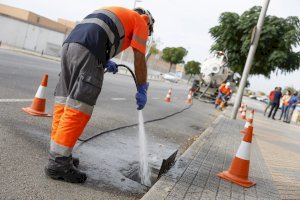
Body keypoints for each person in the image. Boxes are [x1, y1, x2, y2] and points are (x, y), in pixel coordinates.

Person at [45, 6, 155, 183]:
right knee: (79, 107)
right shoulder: (141, 21)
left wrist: (104, 59)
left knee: (64, 102)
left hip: (70, 45)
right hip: (89, 50)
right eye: (148, 33)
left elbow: (96, 32)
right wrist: (142, 87)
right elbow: (139, 57)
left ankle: (59, 154)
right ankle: (58, 163)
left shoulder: (119, 13)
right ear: (147, 21)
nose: (146, 36)